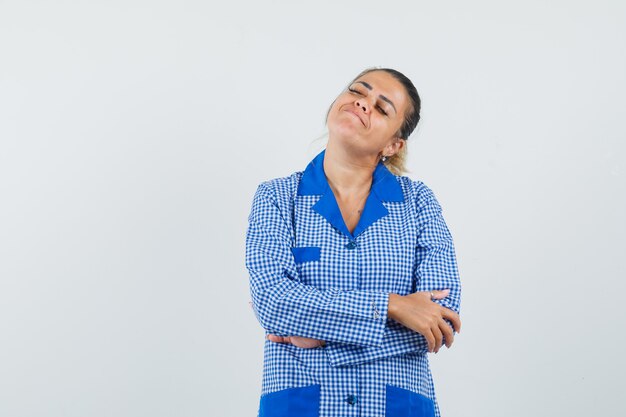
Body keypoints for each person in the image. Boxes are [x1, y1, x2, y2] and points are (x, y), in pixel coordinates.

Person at [245, 67, 462, 417]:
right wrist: (393, 306)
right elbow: (273, 304)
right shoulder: (276, 198)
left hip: (396, 406)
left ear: (393, 144)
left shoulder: (419, 203)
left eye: (381, 107)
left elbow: (440, 322)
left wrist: (321, 335)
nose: (364, 103)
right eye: (358, 91)